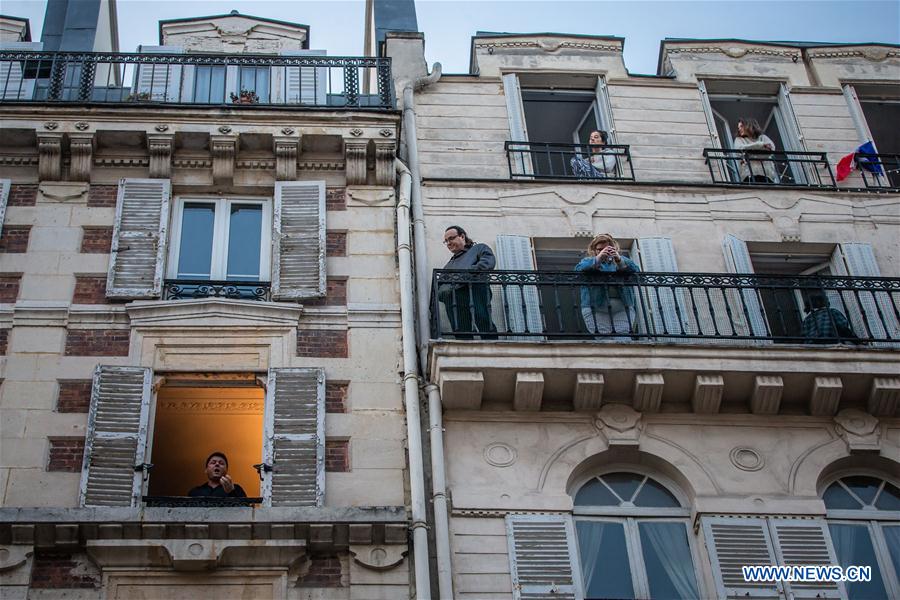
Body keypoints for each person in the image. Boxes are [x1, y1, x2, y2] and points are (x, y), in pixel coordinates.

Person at [575, 233, 640, 337]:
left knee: (622, 339)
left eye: (607, 249)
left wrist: (618, 260)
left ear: (614, 249)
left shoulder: (622, 260)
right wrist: (598, 258)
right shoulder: (587, 261)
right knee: (604, 340)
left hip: (623, 305)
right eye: (599, 249)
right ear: (594, 250)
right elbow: (578, 270)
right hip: (595, 306)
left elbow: (636, 272)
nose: (604, 251)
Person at [438, 225, 498, 339]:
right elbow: (439, 288)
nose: (449, 243)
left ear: (462, 236)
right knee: (460, 330)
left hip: (476, 290)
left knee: (483, 320)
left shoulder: (479, 248)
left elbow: (488, 263)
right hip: (456, 298)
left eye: (451, 238)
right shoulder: (448, 265)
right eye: (446, 241)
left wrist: (465, 276)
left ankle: (492, 346)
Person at [732, 117, 777, 183]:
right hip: (748, 175)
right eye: (738, 127)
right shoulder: (739, 139)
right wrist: (760, 145)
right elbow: (739, 150)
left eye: (741, 126)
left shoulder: (762, 137)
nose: (739, 129)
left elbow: (771, 149)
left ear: (748, 125)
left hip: (767, 174)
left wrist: (749, 154)